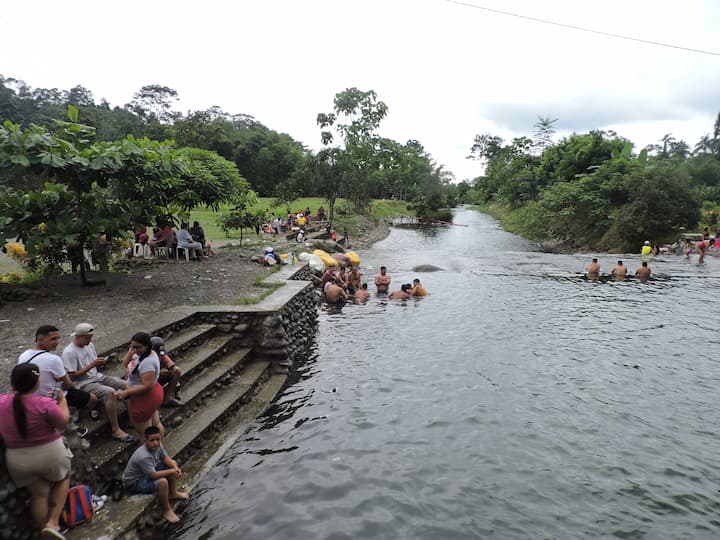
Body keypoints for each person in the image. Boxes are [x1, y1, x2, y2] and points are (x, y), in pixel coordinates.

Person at [0, 363, 71, 539]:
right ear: (36, 382)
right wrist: (62, 402)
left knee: (39, 494)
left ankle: (43, 530)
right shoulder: (45, 404)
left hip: (18, 460)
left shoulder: (1, 402)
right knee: (65, 476)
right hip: (49, 454)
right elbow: (63, 423)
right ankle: (52, 523)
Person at [62, 323, 135, 443]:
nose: (90, 340)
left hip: (97, 376)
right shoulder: (69, 352)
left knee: (127, 385)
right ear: (79, 337)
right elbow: (71, 377)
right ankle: (115, 429)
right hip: (83, 383)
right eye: (87, 337)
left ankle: (132, 419)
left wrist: (99, 363)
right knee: (110, 392)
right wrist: (92, 365)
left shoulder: (89, 345)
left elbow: (94, 365)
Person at [18, 325, 97, 419]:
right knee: (92, 399)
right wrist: (64, 375)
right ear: (40, 339)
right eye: (53, 339)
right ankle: (73, 423)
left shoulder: (23, 355)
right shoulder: (53, 359)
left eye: (58, 338)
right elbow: (69, 385)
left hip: (33, 396)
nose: (57, 342)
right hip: (53, 397)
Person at [123, 426, 188, 524]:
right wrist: (171, 471)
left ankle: (173, 493)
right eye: (152, 440)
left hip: (147, 472)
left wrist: (175, 467)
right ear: (145, 440)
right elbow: (153, 475)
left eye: (158, 439)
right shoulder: (143, 456)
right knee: (163, 482)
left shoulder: (158, 445)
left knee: (172, 464)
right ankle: (167, 510)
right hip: (134, 482)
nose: (155, 443)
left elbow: (166, 458)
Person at [117, 332, 164, 443]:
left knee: (145, 433)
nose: (135, 350)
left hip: (144, 398)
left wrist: (126, 393)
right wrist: (131, 351)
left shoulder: (147, 363)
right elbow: (125, 363)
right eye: (133, 346)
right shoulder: (144, 354)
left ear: (147, 346)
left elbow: (147, 386)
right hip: (152, 394)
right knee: (155, 423)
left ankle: (151, 456)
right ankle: (160, 449)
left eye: (138, 347)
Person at [150, 336, 182, 408]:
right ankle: (152, 406)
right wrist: (158, 373)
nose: (158, 355)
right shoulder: (144, 358)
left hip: (157, 378)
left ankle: (167, 399)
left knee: (177, 371)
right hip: (146, 381)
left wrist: (171, 370)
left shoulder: (161, 355)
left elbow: (170, 364)